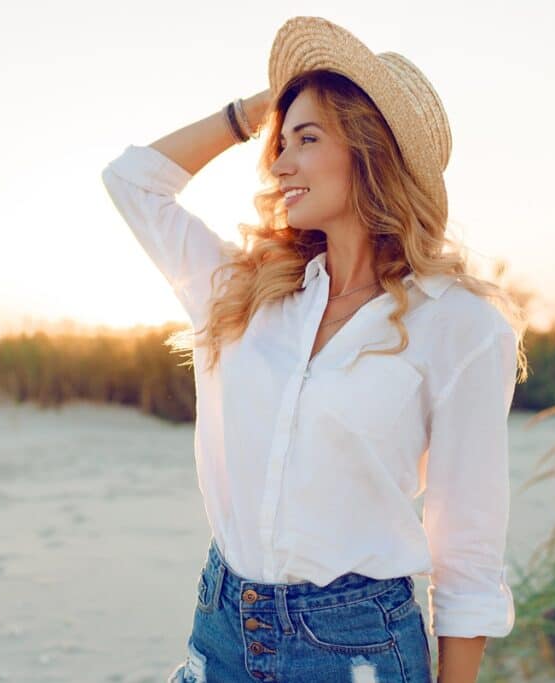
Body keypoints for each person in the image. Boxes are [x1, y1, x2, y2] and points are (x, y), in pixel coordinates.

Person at [100, 16, 529, 683]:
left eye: (306, 138)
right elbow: (132, 181)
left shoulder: (461, 325)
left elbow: (466, 548)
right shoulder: (246, 294)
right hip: (223, 622)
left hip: (355, 645)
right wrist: (256, 109)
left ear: (369, 152)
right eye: (281, 139)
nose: (279, 162)